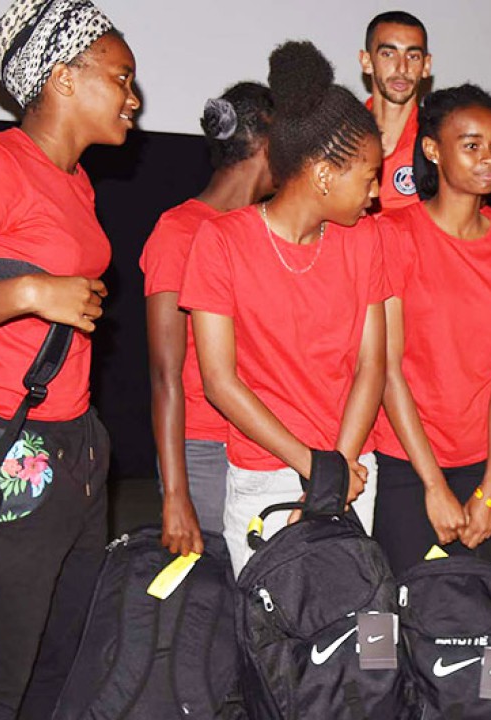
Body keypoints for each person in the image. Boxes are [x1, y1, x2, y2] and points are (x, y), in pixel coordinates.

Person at [0, 2, 135, 716]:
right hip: (10, 449)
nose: (134, 97)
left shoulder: (74, 181)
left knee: (60, 657)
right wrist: (31, 290)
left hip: (76, 446)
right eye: (120, 77)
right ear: (63, 79)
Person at [180, 41, 388, 575]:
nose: (376, 193)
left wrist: (338, 468)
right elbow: (219, 381)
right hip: (266, 478)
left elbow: (373, 366)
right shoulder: (220, 242)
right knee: (270, 645)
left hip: (353, 469)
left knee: (357, 645)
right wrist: (314, 470)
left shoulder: (364, 240)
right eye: (368, 176)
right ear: (323, 175)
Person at [371, 84, 491, 578]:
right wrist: (433, 485)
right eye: (472, 144)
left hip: (480, 468)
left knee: (473, 627)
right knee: (386, 623)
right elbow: (387, 370)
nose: (490, 158)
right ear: (433, 150)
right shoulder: (394, 235)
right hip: (403, 463)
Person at [141, 83, 274, 555]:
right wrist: (176, 496)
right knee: (210, 603)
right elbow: (165, 373)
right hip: (203, 450)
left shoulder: (270, 231)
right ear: (267, 141)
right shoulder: (179, 230)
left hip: (267, 444)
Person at [360, 10, 431, 212]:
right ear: (366, 61)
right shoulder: (338, 134)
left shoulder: (439, 141)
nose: (402, 68)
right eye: (388, 54)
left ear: (426, 66)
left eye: (413, 56)